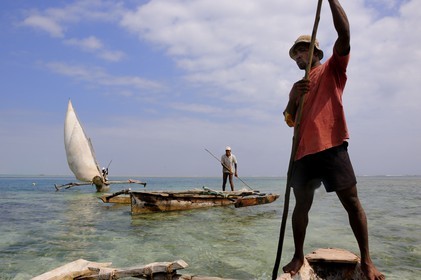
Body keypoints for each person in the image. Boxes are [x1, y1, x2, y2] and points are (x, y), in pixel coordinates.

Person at [282, 1, 384, 279]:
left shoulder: (332, 69)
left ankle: (367, 260)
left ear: (315, 52)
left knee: (351, 202)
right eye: (296, 56)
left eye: (303, 51)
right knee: (300, 205)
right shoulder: (296, 86)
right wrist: (295, 97)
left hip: (332, 145)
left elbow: (345, 34)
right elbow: (290, 118)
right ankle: (297, 255)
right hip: (302, 153)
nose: (299, 57)